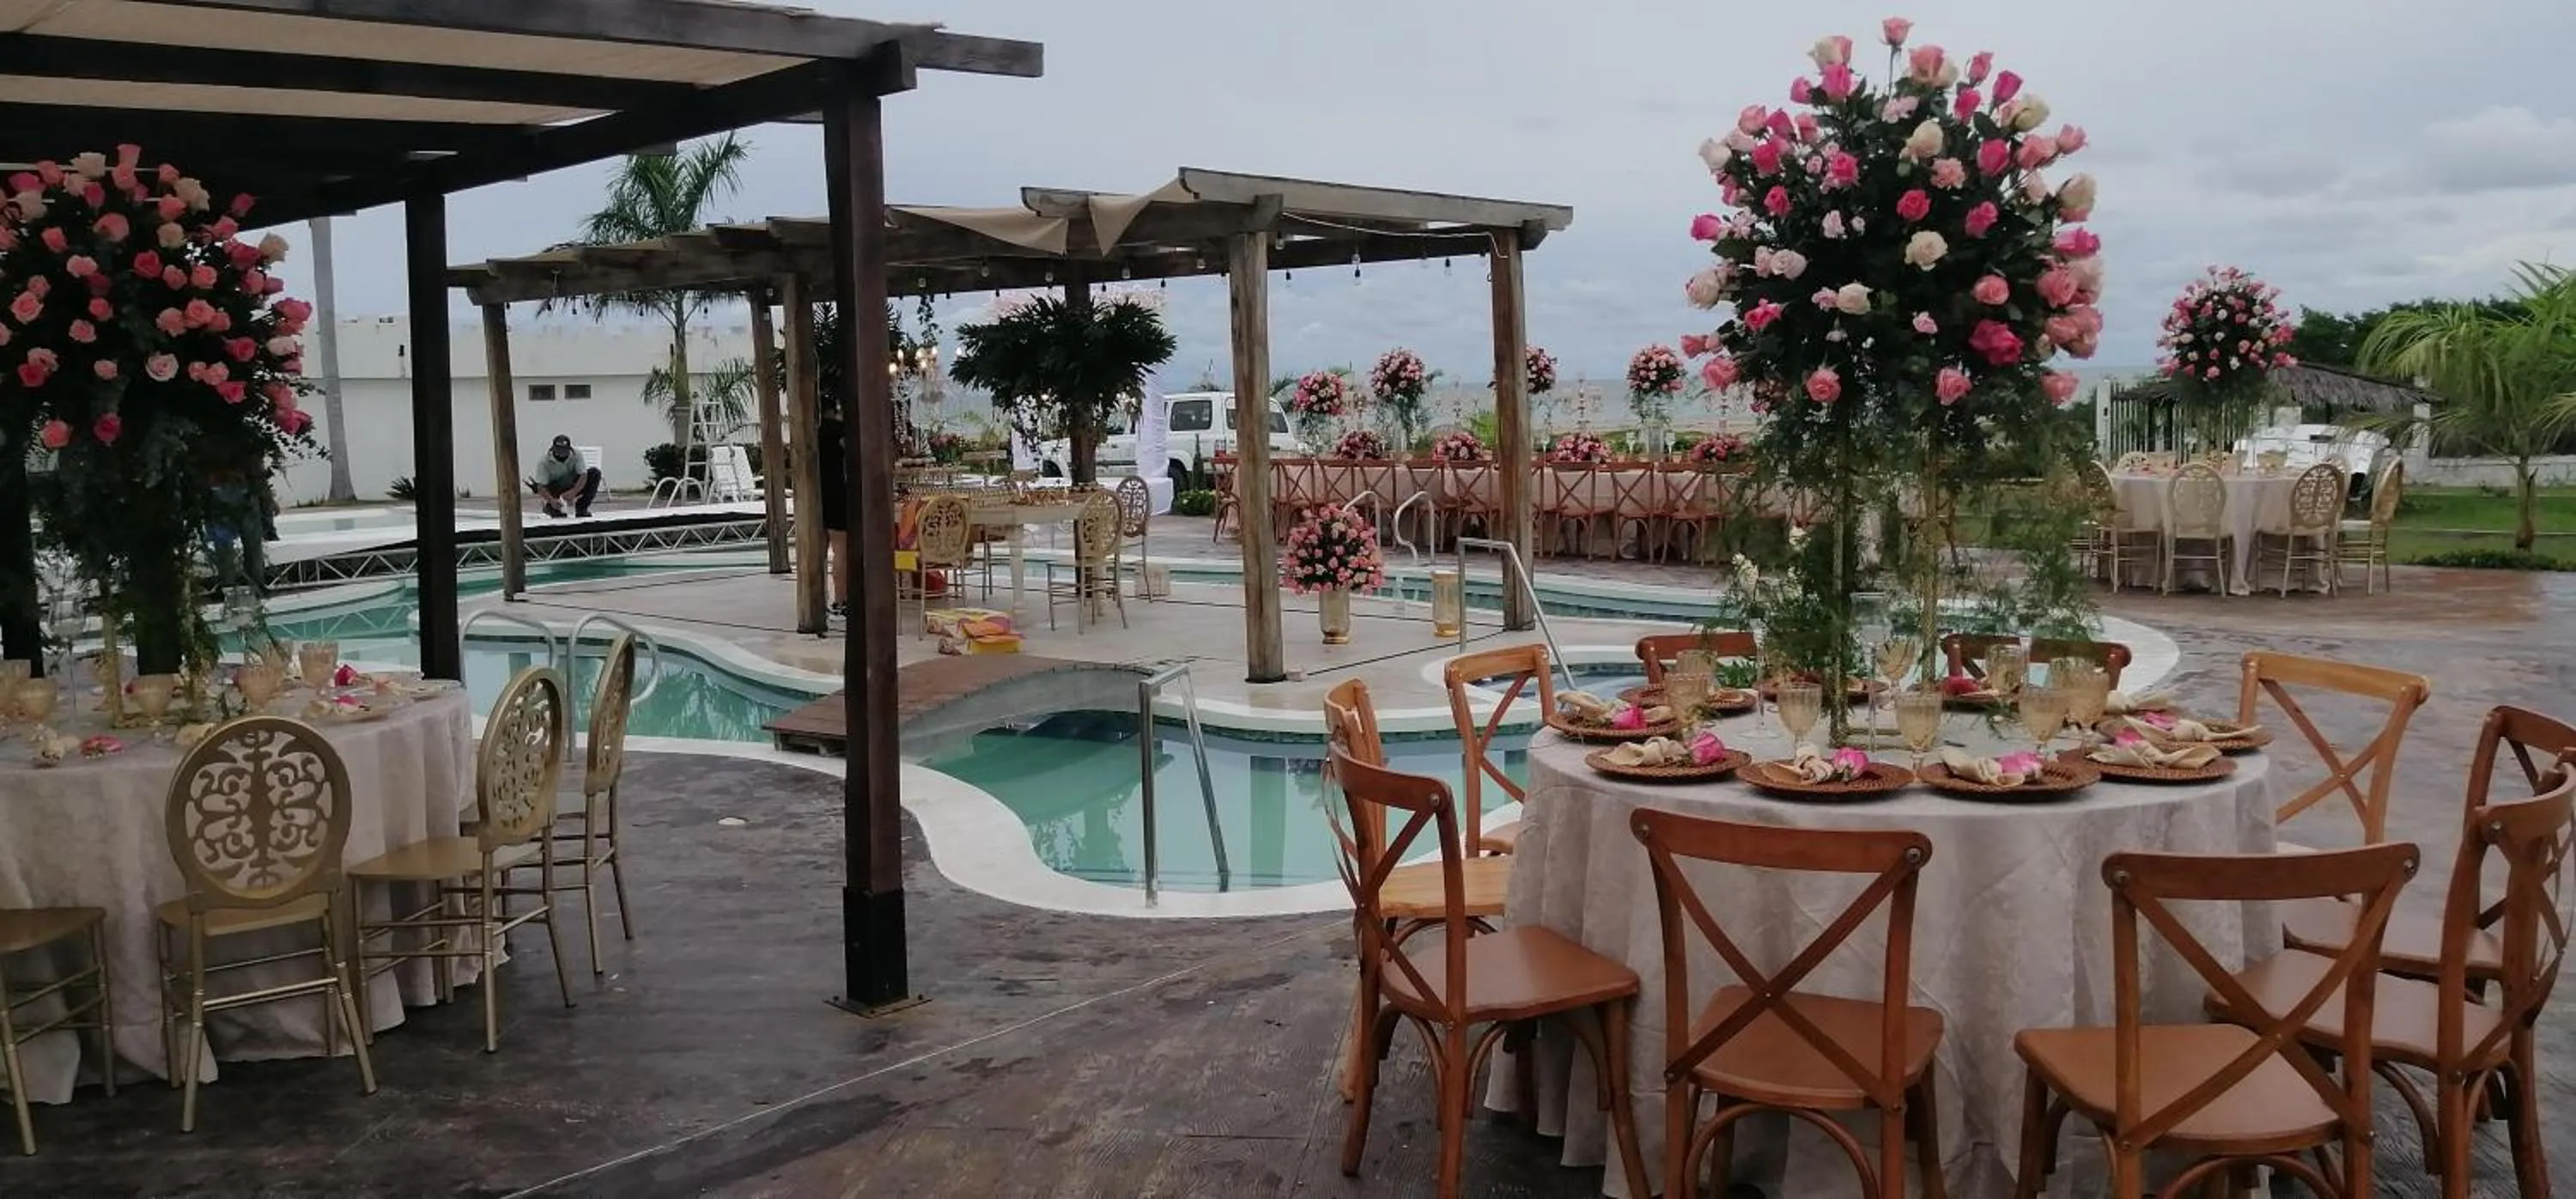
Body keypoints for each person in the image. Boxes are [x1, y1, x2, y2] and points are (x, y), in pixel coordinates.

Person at [817, 411, 850, 621]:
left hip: (817, 492)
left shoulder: (816, 431)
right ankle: (841, 600)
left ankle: (819, 599)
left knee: (821, 549)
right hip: (837, 492)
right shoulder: (840, 431)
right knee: (841, 549)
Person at [532, 435, 601, 518]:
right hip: (555, 488)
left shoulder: (577, 454)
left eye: (564, 451)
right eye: (559, 450)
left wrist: (574, 491)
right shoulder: (544, 461)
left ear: (569, 449)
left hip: (573, 484)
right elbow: (541, 486)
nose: (561, 454)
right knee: (559, 516)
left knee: (595, 473)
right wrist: (551, 500)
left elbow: (583, 475)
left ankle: (582, 508)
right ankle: (551, 507)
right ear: (553, 449)